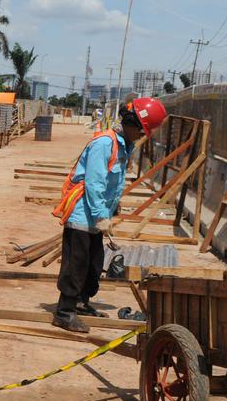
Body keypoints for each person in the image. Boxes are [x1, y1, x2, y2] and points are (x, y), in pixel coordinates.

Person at [50, 97, 168, 333]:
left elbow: (112, 181)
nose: (142, 136)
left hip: (97, 214)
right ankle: (64, 312)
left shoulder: (124, 144)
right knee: (77, 264)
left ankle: (82, 302)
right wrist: (101, 215)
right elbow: (94, 184)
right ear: (133, 123)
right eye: (142, 131)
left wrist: (114, 206)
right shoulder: (104, 143)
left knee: (93, 265)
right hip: (84, 214)